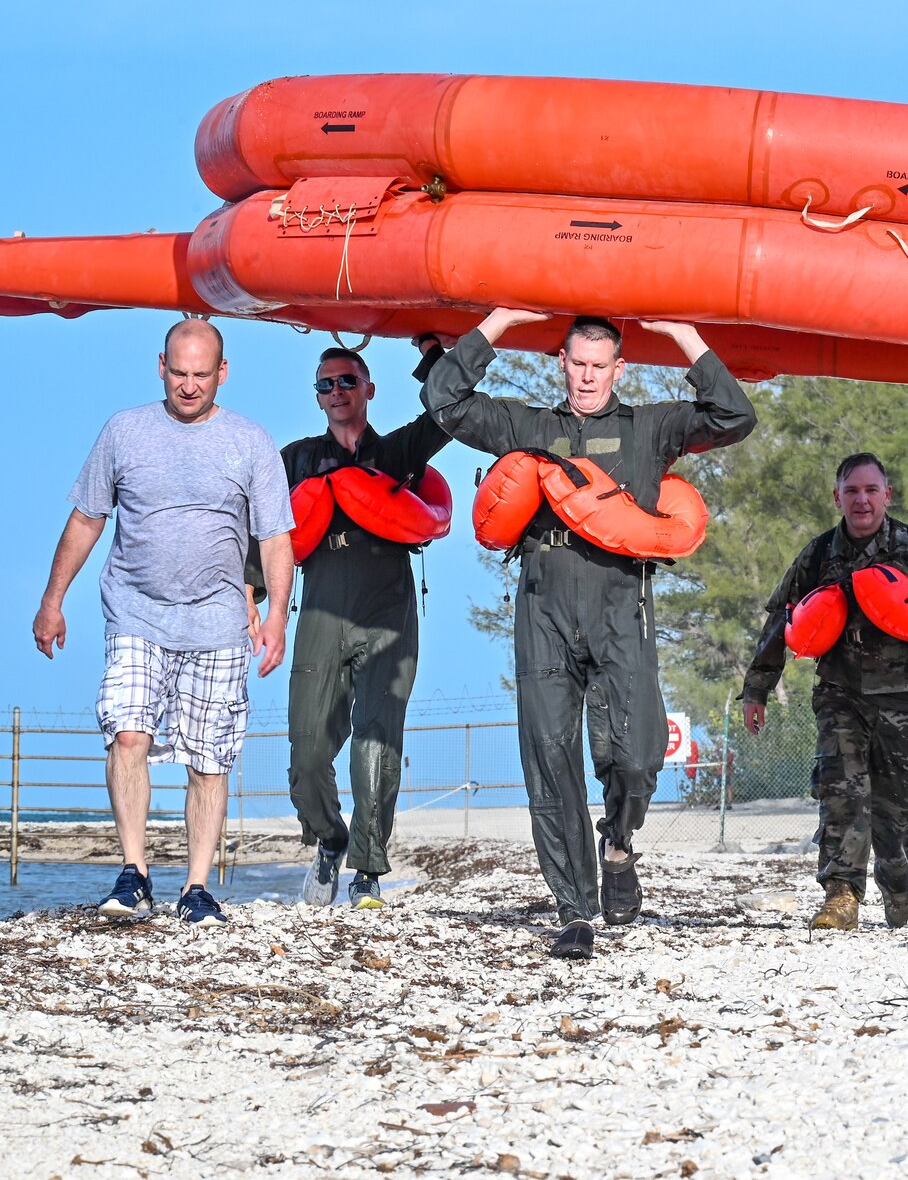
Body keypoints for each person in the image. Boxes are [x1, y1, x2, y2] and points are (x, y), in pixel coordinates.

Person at [425, 309, 756, 959]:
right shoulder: (530, 425)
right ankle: (574, 908)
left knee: (635, 755)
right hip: (544, 600)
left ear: (619, 369)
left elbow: (733, 416)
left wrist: (684, 334)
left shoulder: (650, 427)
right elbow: (445, 400)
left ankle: (619, 843)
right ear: (561, 363)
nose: (586, 376)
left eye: (599, 365)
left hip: (619, 601)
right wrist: (502, 319)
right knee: (549, 757)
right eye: (576, 363)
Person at [33, 318, 294, 927]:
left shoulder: (250, 441)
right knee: (128, 733)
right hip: (135, 610)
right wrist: (53, 600)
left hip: (218, 622)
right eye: (179, 372)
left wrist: (277, 615)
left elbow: (275, 536)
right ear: (161, 367)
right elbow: (87, 520)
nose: (188, 385)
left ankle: (196, 888)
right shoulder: (124, 432)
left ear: (221, 374)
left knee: (210, 760)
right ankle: (135, 874)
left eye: (201, 375)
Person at [740, 454, 908, 930]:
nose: (862, 500)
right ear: (838, 497)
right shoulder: (819, 553)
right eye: (852, 491)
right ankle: (841, 893)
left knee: (902, 803)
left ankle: (897, 882)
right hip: (841, 692)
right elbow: (780, 620)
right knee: (841, 790)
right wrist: (757, 689)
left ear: (886, 495)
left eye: (871, 490)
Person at [281, 342, 452, 908]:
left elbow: (449, 410)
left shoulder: (398, 451)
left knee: (377, 740)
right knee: (307, 750)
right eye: (325, 385)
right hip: (322, 604)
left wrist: (432, 352)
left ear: (369, 389)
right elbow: (260, 525)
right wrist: (255, 595)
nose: (336, 393)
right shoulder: (298, 459)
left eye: (347, 381)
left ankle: (368, 872)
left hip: (387, 607)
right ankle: (329, 841)